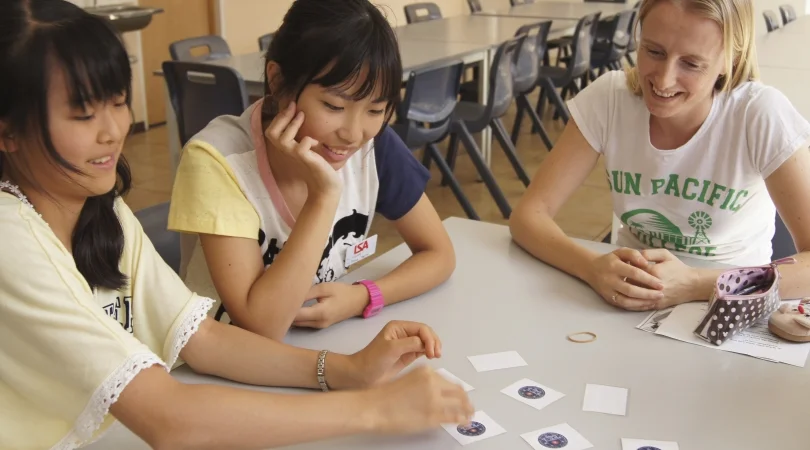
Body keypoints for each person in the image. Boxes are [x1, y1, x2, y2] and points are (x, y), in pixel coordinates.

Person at [0, 1, 473, 449]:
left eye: (119, 102)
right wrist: (374, 410)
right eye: (83, 115)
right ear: (8, 131)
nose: (113, 132)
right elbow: (170, 419)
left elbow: (202, 339)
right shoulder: (10, 237)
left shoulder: (101, 208)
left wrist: (344, 369)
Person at [167, 0, 455, 341]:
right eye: (333, 106)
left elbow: (439, 254)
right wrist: (324, 195)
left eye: (375, 110)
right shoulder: (217, 160)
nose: (353, 134)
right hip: (222, 359)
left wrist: (362, 297)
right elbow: (262, 326)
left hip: (320, 346)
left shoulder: (373, 146)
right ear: (277, 80)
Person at [509, 0, 810, 311]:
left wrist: (695, 283)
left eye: (691, 64)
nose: (664, 80)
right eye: (653, 51)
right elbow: (528, 215)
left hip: (729, 305)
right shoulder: (609, 100)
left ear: (730, 60)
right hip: (628, 300)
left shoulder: (759, 114)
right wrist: (591, 267)